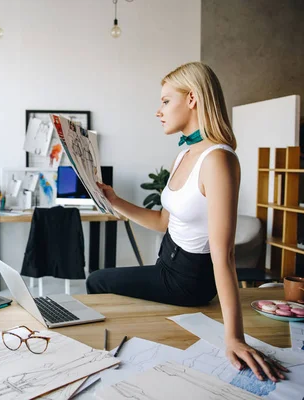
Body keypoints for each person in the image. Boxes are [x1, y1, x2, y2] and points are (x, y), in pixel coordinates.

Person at [86, 62, 288, 383]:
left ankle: (101, 364)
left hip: (189, 278)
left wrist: (234, 337)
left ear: (192, 99)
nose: (158, 110)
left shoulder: (218, 160)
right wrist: (114, 201)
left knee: (97, 280)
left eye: (166, 101)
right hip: (167, 260)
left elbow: (225, 255)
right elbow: (162, 222)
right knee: (101, 281)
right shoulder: (183, 154)